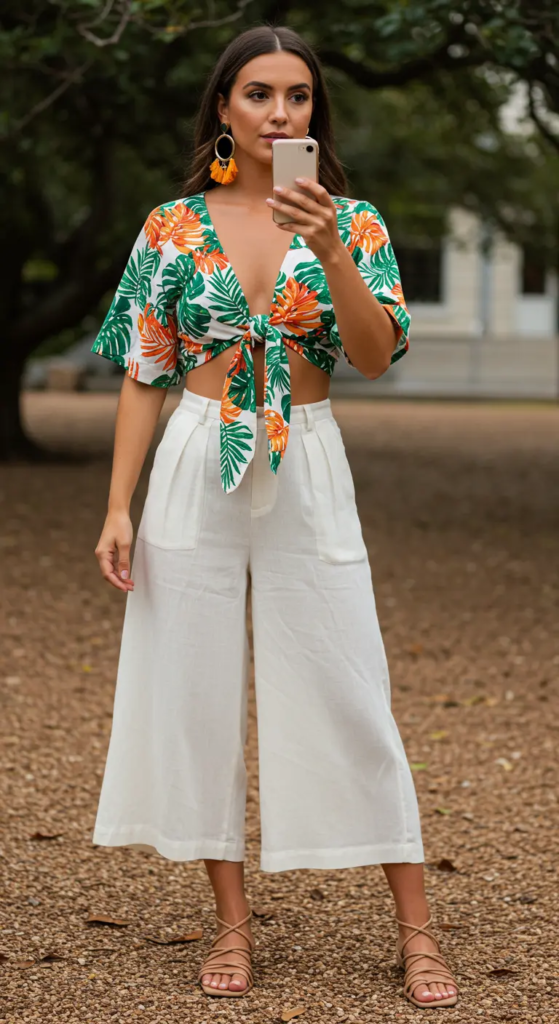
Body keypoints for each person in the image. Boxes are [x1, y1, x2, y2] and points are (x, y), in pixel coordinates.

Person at [90, 23, 459, 1010]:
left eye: (297, 96)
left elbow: (373, 356)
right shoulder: (172, 225)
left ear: (313, 113)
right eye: (258, 93)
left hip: (307, 455)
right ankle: (231, 921)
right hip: (193, 457)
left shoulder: (356, 221)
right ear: (223, 106)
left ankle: (416, 929)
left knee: (349, 682)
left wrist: (328, 246)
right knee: (195, 689)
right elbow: (144, 369)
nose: (279, 112)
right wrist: (117, 506)